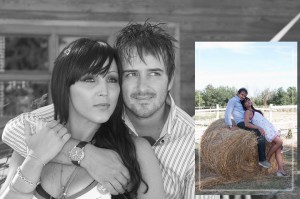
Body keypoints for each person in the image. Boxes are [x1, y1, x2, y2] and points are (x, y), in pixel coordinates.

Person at [2, 21, 194, 199]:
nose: (104, 91)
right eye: (90, 79)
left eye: (111, 79)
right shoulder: (38, 137)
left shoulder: (143, 149)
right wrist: (81, 154)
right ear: (65, 87)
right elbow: (16, 127)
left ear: (170, 80)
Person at [224, 88, 271, 169]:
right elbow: (227, 113)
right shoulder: (233, 100)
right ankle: (262, 160)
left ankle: (277, 145)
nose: (243, 96)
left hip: (248, 121)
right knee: (259, 133)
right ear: (237, 93)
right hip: (241, 123)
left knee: (264, 129)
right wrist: (230, 125)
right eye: (242, 94)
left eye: (244, 95)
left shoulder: (241, 101)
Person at [241, 97, 287, 176]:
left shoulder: (255, 111)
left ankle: (280, 170)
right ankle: (267, 158)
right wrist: (258, 128)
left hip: (270, 128)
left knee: (278, 149)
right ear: (244, 105)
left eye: (248, 100)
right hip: (266, 130)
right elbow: (246, 124)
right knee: (279, 142)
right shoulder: (247, 112)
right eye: (245, 101)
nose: (248, 101)